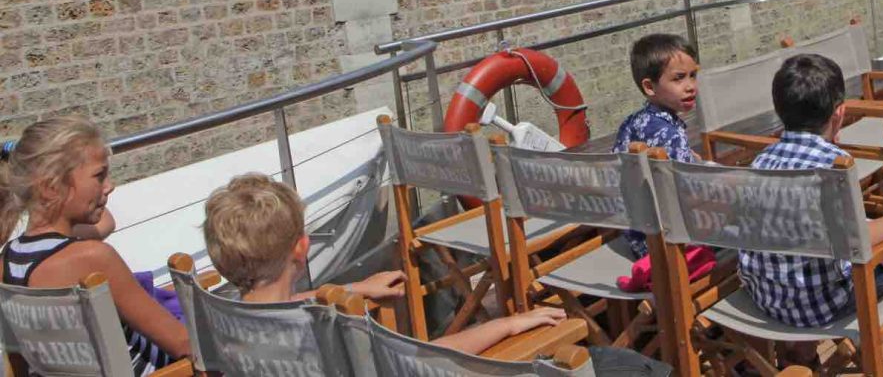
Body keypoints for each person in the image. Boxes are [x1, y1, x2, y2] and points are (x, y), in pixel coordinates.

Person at [202, 173, 567, 355]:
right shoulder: (332, 332)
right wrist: (507, 324)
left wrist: (353, 288)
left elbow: (278, 305)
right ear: (302, 248)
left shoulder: (218, 321)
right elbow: (422, 361)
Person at [738, 54, 883, 371]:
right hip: (821, 307)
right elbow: (857, 239)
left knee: (808, 258)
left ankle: (800, 356)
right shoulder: (833, 166)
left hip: (767, 299)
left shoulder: (760, 161)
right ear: (840, 114)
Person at [0, 116, 191, 376]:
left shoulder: (7, 262)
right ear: (50, 188)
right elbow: (183, 344)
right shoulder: (92, 258)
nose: (110, 186)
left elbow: (20, 362)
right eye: (99, 176)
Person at [612, 33, 701, 257]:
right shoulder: (669, 134)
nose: (690, 86)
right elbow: (689, 192)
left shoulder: (633, 122)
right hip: (668, 242)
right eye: (679, 78)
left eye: (693, 75)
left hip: (636, 233)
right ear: (650, 87)